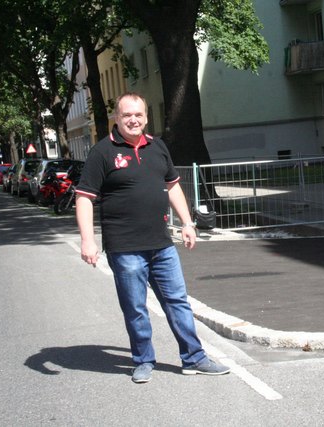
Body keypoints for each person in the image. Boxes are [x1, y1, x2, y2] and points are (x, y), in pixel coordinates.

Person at [75, 92, 230, 384]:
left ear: (146, 117)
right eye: (126, 115)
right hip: (125, 248)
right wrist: (88, 240)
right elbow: (84, 198)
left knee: (178, 302)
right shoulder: (102, 152)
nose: (133, 120)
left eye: (138, 115)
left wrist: (187, 222)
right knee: (135, 308)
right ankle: (143, 360)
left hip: (162, 245)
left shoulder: (158, 147)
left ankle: (194, 358)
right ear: (117, 119)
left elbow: (172, 186)